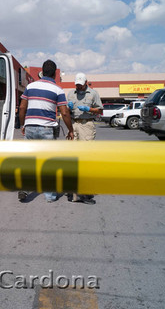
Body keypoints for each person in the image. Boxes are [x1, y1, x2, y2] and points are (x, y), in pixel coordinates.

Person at [18, 59, 74, 202]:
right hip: (47, 129)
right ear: (55, 74)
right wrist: (71, 130)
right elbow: (65, 113)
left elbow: (22, 108)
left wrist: (23, 125)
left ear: (42, 72)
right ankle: (50, 196)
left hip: (30, 127)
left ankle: (24, 189)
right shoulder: (58, 90)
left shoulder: (30, 86)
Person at [67, 72, 103, 204]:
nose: (78, 87)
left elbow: (100, 111)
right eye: (77, 85)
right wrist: (68, 108)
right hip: (73, 124)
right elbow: (66, 111)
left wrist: (89, 109)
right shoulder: (71, 94)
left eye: (81, 85)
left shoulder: (93, 94)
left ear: (86, 83)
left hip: (86, 125)